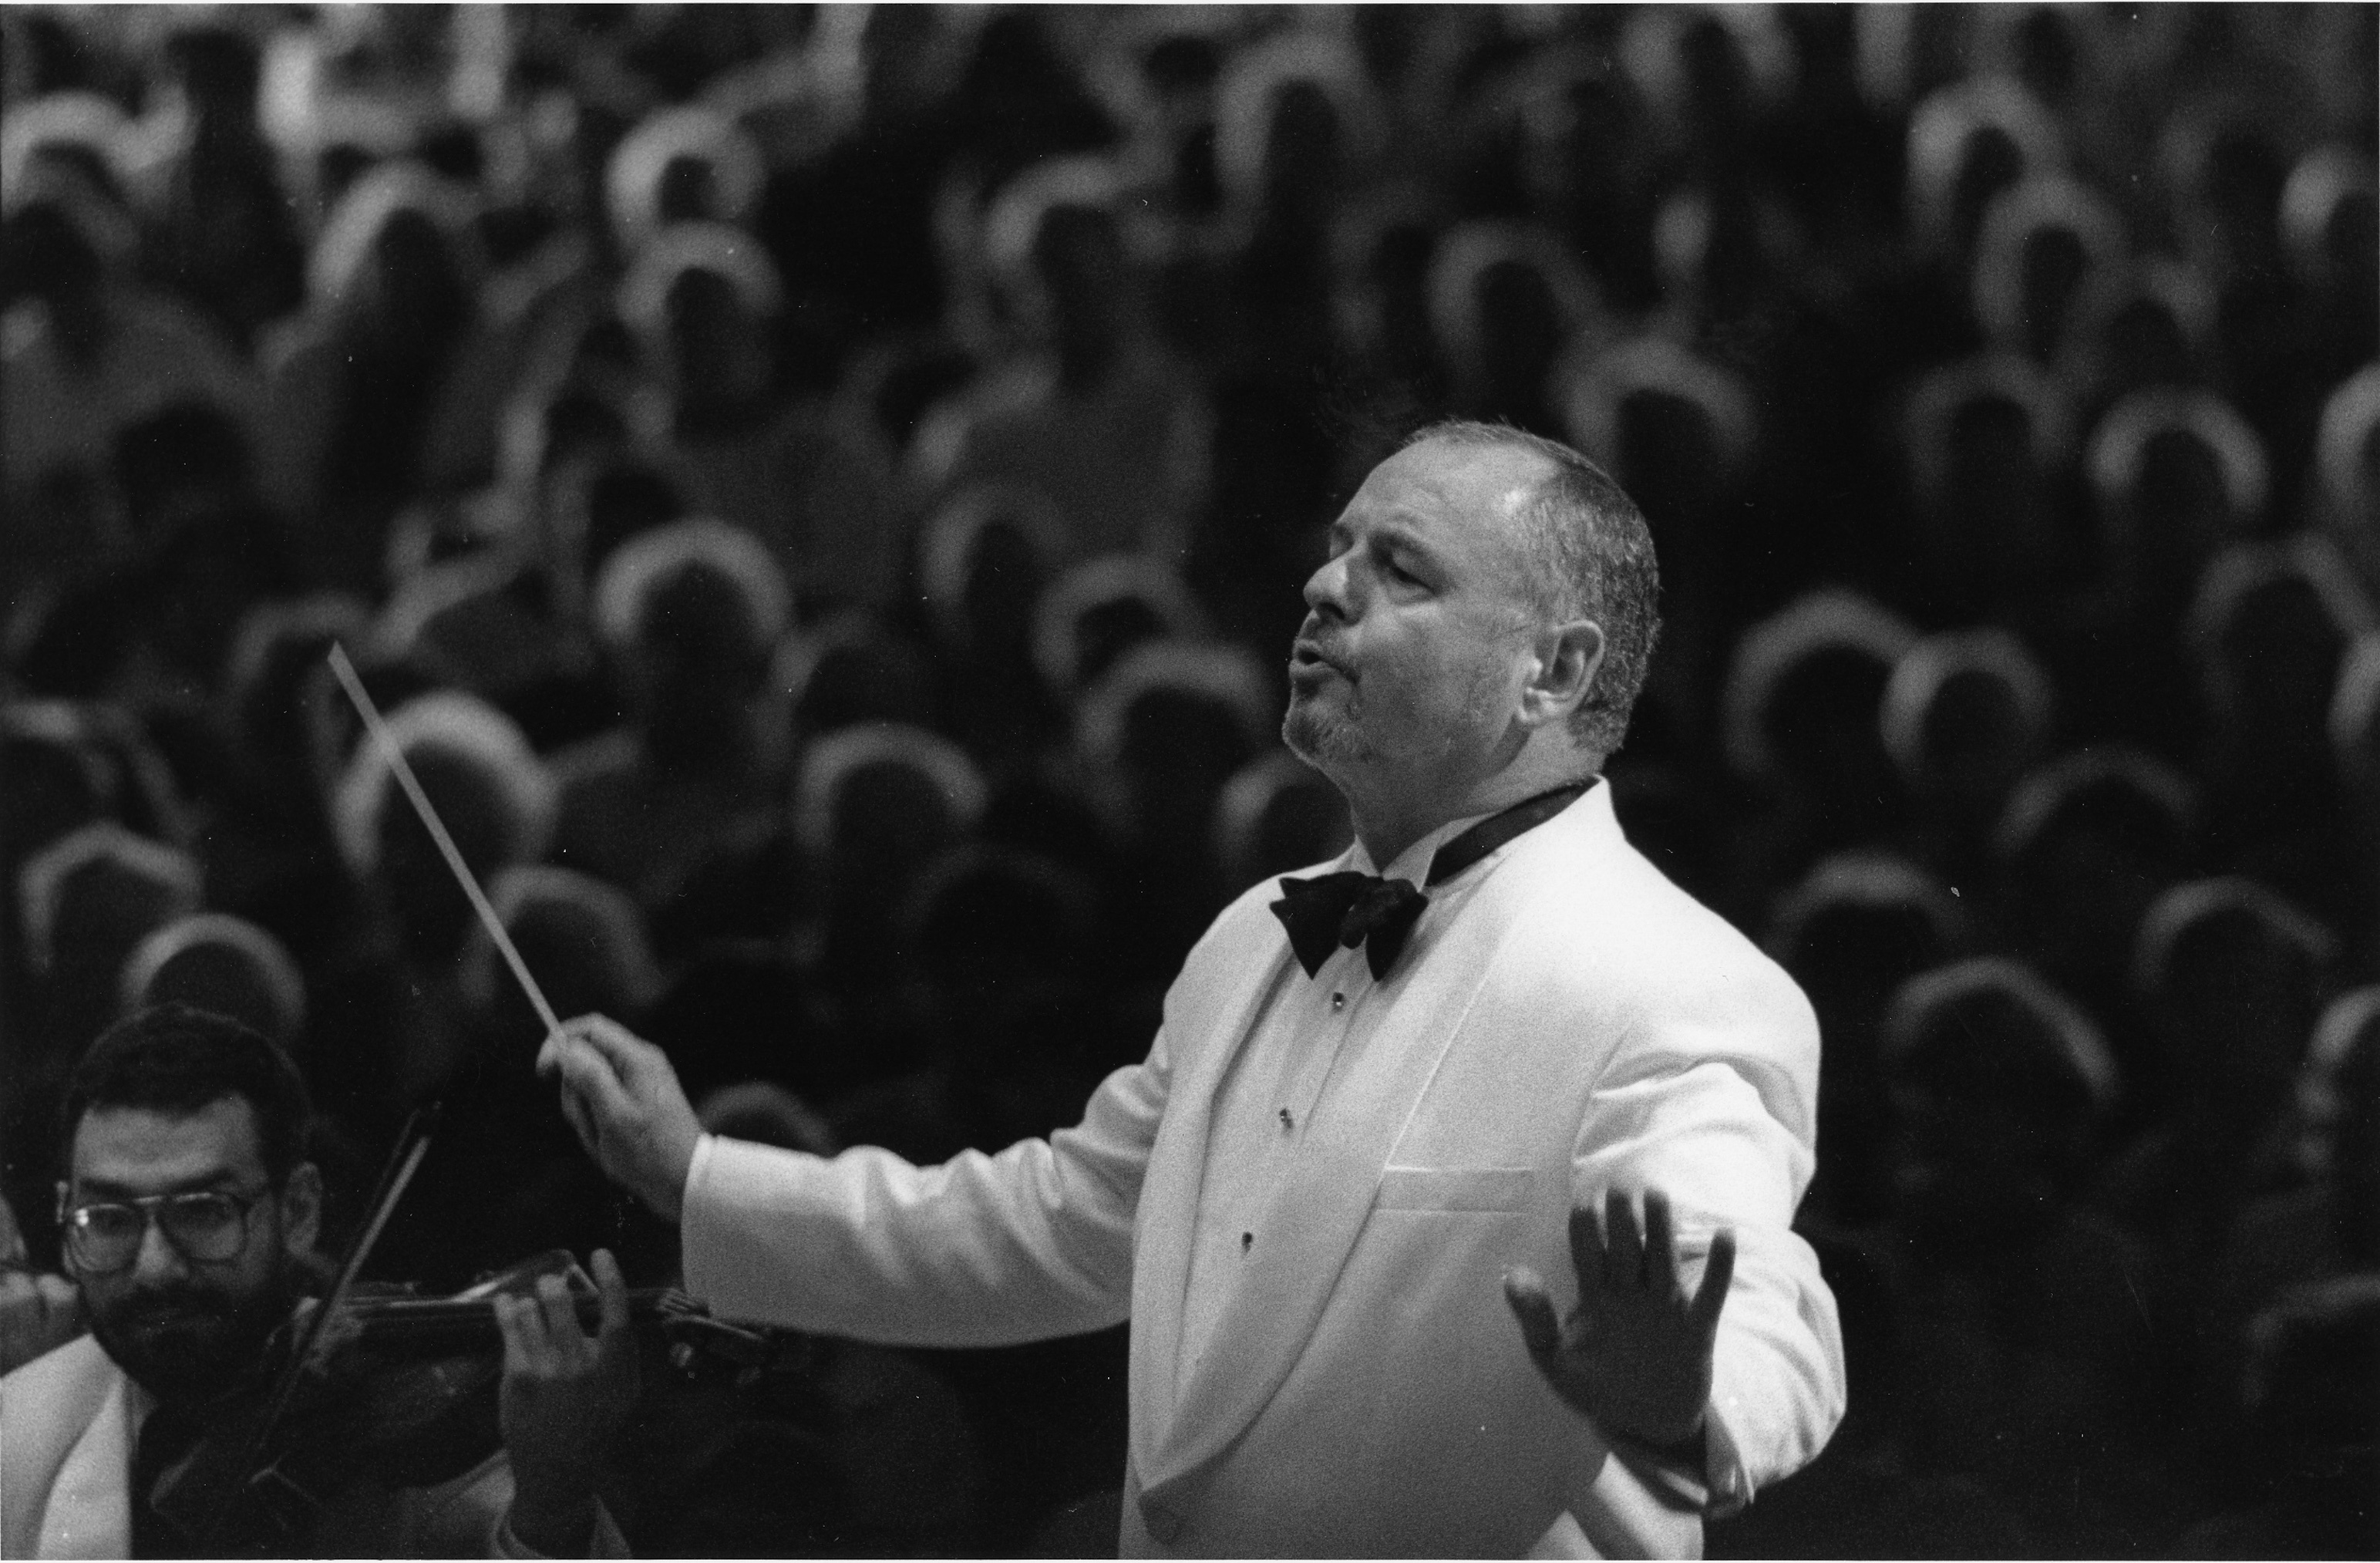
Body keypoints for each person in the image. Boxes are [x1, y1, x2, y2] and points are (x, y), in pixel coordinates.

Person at [543, 421, 1845, 1556]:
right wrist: (699, 1177)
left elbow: (1758, 1298)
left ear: (1551, 674)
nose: (1321, 586)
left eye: (1399, 568)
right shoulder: (1247, 939)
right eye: (1338, 547)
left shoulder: (1673, 981)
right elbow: (1060, 1217)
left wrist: (1687, 1401)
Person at [0, 1004, 635, 1558]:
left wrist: (553, 1505)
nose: (154, 1266)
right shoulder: (17, 1429)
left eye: (202, 1211)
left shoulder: (431, 1457)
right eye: (109, 1220)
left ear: (299, 1209)